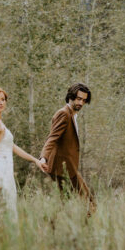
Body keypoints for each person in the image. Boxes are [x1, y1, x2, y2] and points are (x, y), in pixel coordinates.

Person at [0, 86, 46, 217]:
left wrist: (35, 160)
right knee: (0, 211)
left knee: (7, 209)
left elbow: (12, 147)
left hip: (7, 171)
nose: (1, 103)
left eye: (3, 99)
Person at [40, 82, 95, 213]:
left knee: (67, 203)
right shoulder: (64, 114)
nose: (81, 103)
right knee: (88, 202)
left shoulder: (72, 114)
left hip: (69, 167)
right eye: (78, 99)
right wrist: (43, 158)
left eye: (84, 100)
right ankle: (57, 228)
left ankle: (62, 228)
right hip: (61, 168)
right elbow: (52, 137)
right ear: (70, 97)